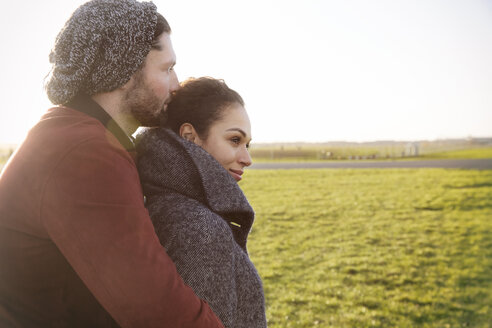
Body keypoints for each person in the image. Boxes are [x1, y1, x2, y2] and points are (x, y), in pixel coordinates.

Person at [0, 1, 224, 327]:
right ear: (123, 71)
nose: (176, 85)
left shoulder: (71, 132)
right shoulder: (84, 152)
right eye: (166, 68)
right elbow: (156, 308)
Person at [136, 77, 267, 328]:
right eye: (235, 140)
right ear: (190, 136)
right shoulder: (201, 229)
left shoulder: (166, 205)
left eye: (248, 144)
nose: (247, 158)